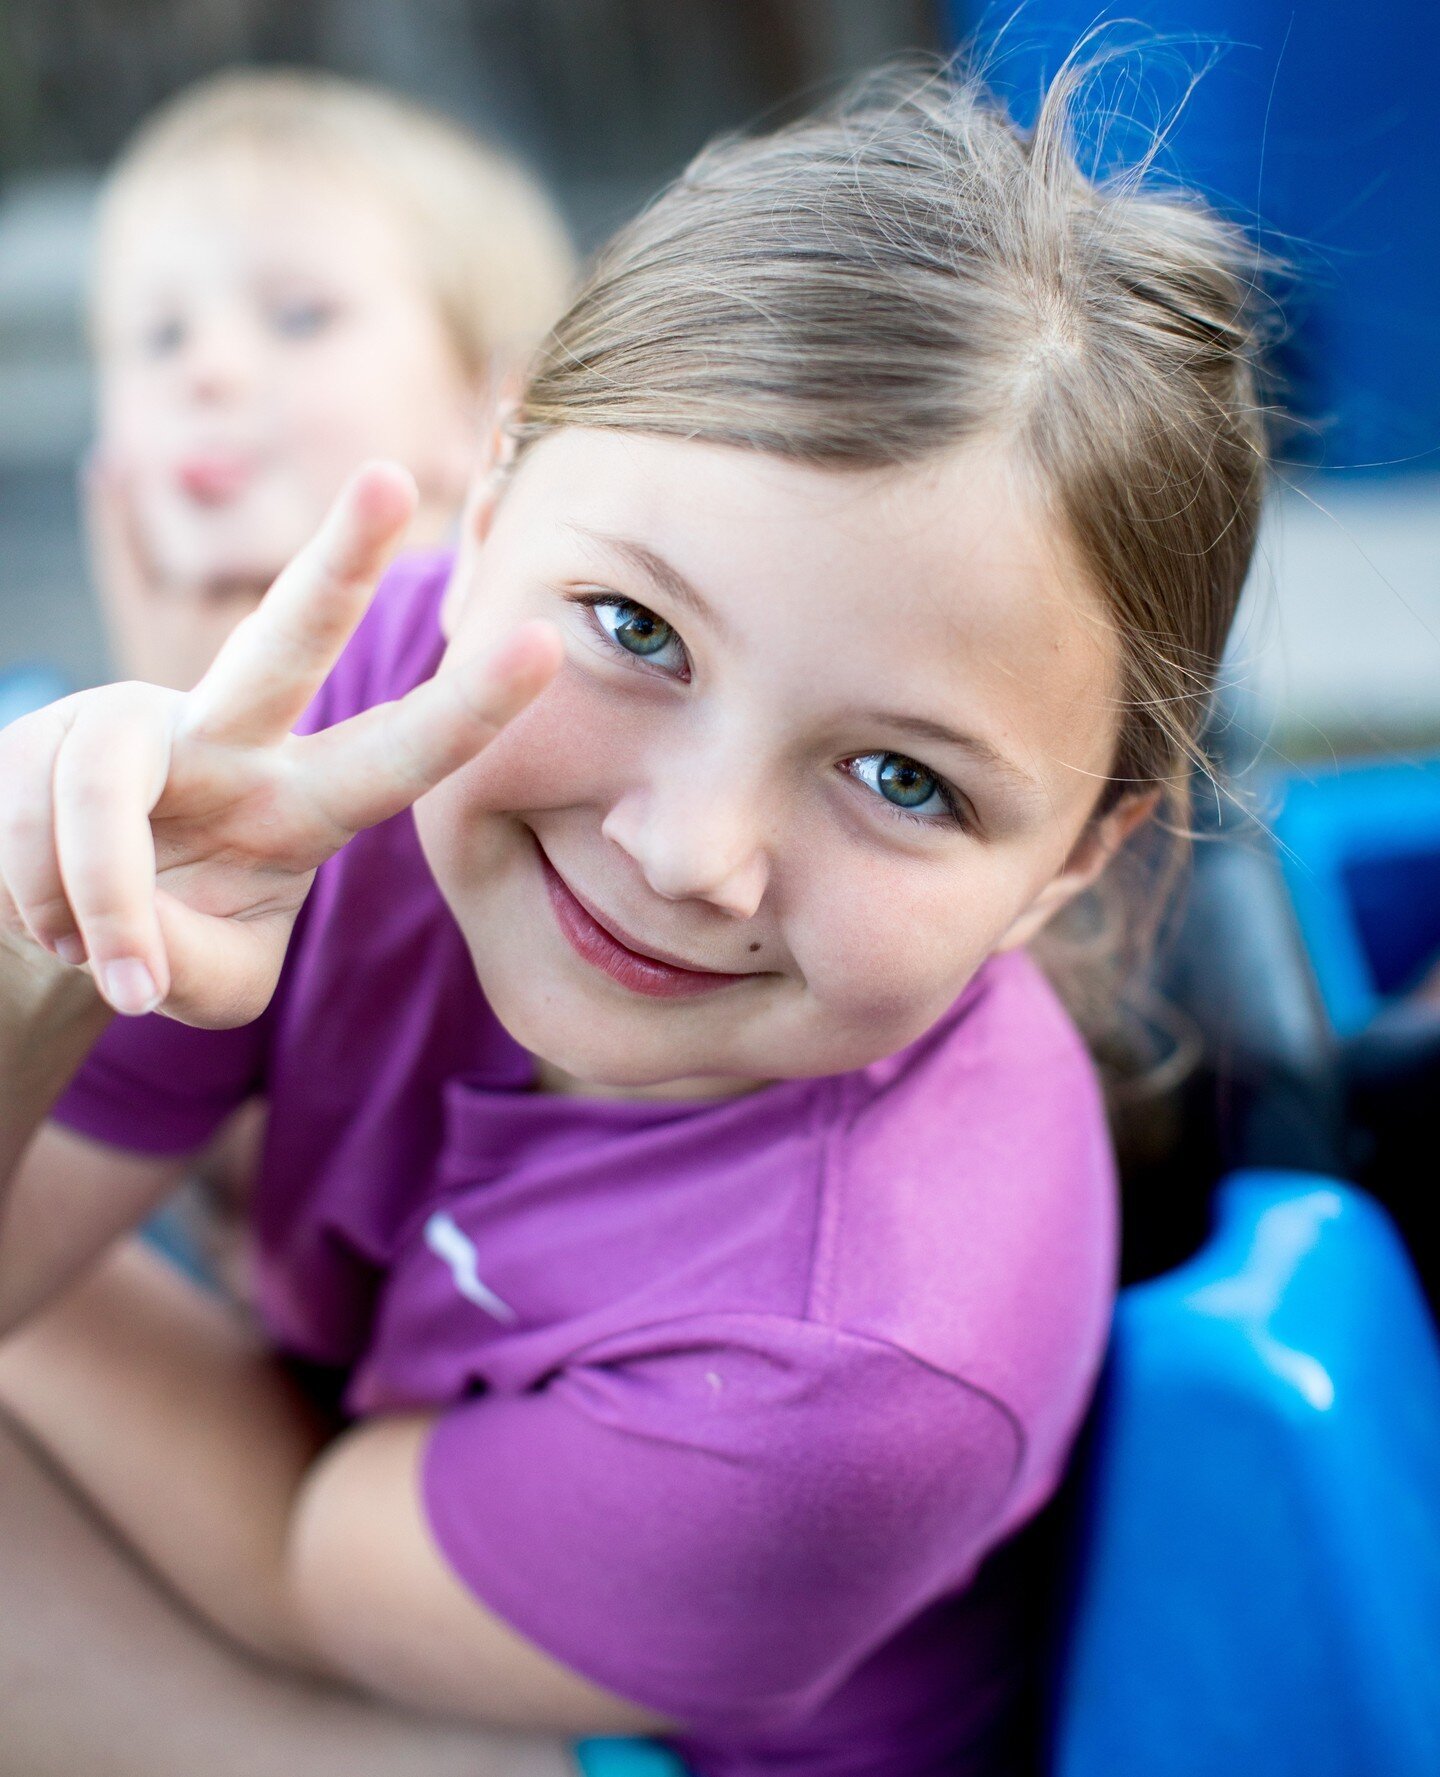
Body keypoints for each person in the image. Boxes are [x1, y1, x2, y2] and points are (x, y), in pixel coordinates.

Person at [0, 52, 1272, 1777]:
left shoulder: (852, 1375)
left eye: (903, 780)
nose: (689, 855)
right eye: (637, 631)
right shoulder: (403, 678)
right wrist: (48, 964)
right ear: (491, 496)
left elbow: (307, 1559)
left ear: (1070, 858)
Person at [87, 68, 576, 694]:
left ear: (487, 407)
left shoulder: (507, 680)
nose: (205, 371)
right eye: (161, 336)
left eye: (298, 318)